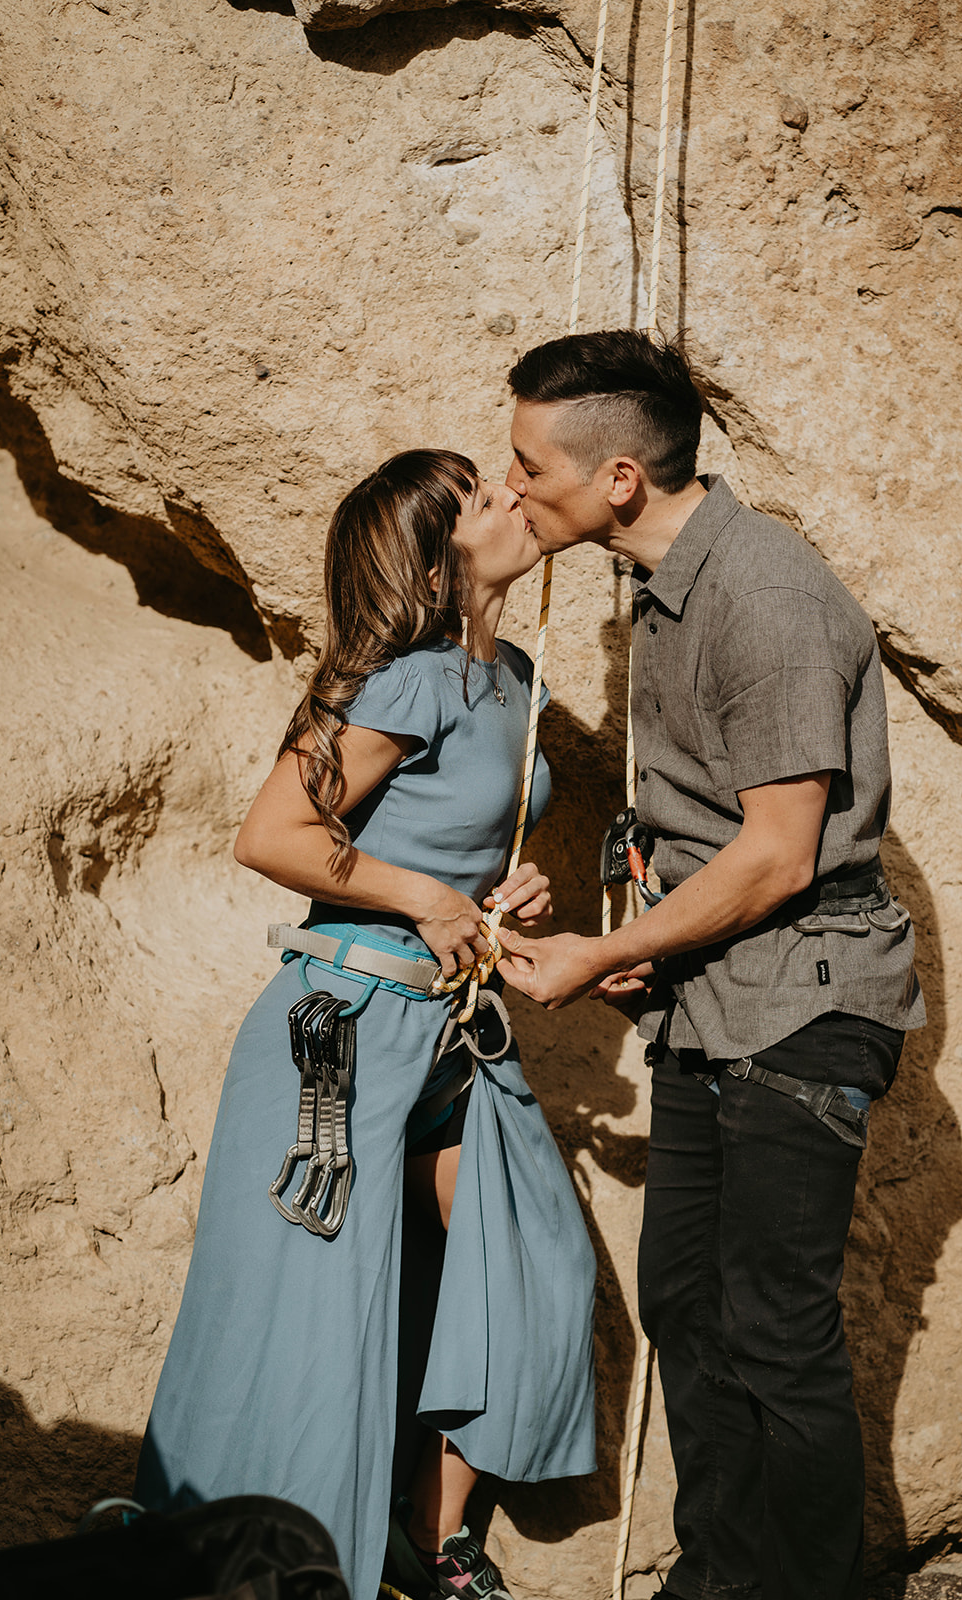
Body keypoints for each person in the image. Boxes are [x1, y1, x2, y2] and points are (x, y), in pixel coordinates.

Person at [495, 332, 925, 1600]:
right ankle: (721, 1580)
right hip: (712, 1003)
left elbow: (782, 855)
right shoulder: (664, 590)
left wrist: (604, 950)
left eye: (528, 464)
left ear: (617, 477)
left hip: (805, 1003)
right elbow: (711, 840)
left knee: (773, 1331)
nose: (510, 484)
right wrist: (654, 944)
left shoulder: (764, 596)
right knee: (687, 1301)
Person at [134, 450, 597, 1600]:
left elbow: (444, 835)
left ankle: (422, 1546)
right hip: (337, 1035)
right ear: (438, 557)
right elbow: (274, 836)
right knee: (302, 1324)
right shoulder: (406, 680)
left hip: (450, 1028)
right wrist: (424, 896)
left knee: (528, 1259)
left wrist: (500, 891)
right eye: (476, 493)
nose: (507, 491)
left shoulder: (514, 675)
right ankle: (263, 1569)